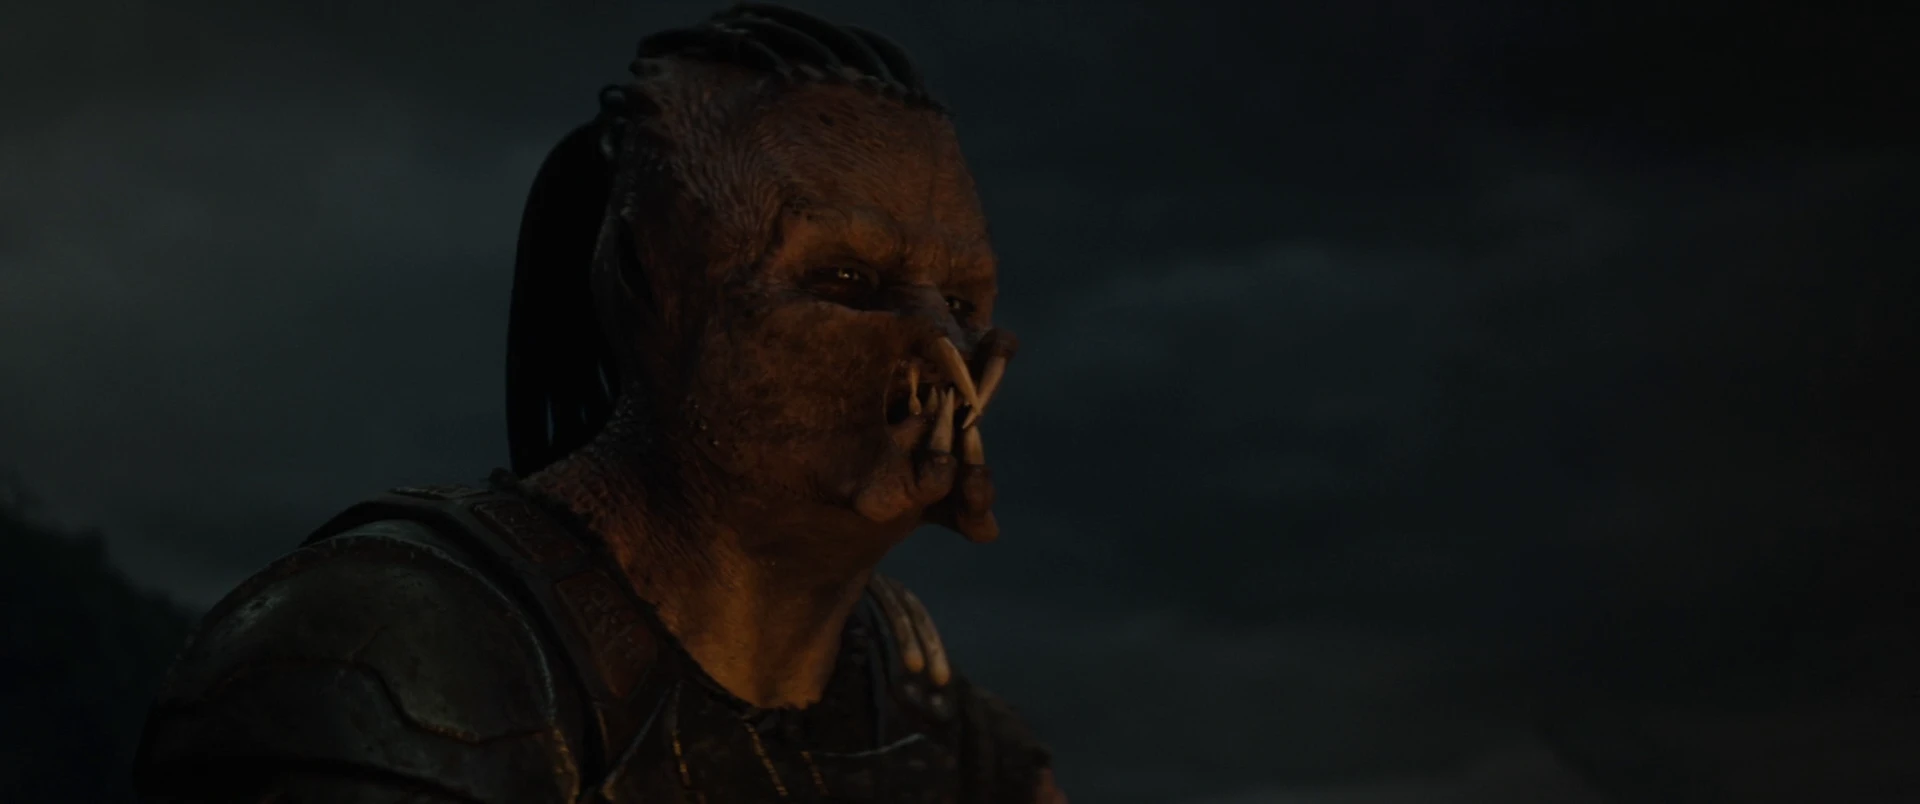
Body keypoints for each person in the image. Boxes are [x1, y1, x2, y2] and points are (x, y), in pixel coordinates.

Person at [131, 4, 1064, 802]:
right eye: (847, 279)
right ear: (648, 279)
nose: (944, 352)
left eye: (964, 303)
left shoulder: (943, 735)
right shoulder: (385, 662)